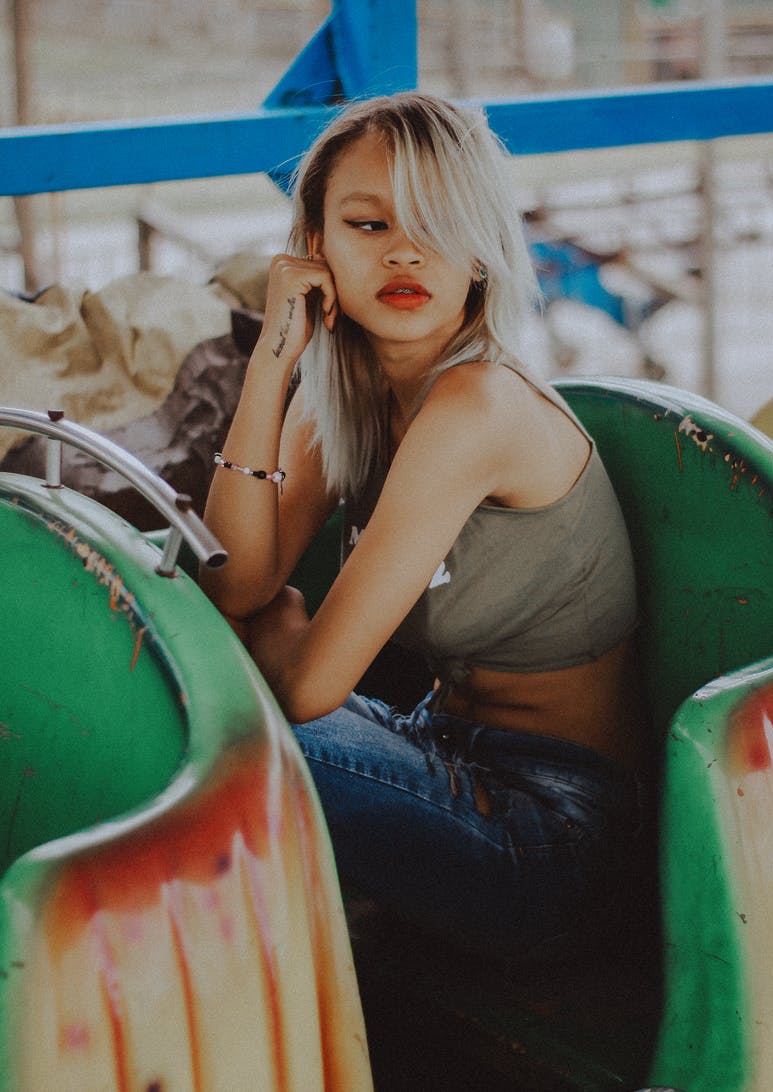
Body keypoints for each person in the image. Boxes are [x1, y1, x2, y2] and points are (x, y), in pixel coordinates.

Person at [201, 91, 654, 964]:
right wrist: (271, 361)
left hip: (553, 830)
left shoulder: (476, 405)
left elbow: (302, 693)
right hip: (435, 749)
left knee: (229, 724)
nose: (407, 250)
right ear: (315, 247)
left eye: (439, 223)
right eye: (367, 225)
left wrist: (278, 638)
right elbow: (237, 582)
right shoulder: (347, 395)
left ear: (482, 250)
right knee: (212, 674)